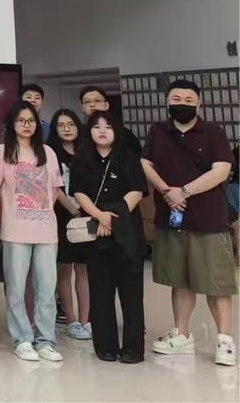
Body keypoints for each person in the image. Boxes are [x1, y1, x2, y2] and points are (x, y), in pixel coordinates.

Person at [140, 79, 235, 366]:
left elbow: (221, 171)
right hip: (172, 219)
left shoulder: (214, 132)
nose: (182, 104)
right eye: (176, 99)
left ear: (199, 103)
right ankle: (182, 334)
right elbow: (145, 163)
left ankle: (225, 341)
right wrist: (166, 191)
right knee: (180, 280)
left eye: (188, 100)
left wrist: (184, 191)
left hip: (209, 219)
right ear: (167, 102)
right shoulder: (158, 131)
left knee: (217, 282)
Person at [73, 111, 148, 363]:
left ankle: (133, 349)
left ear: (116, 131)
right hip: (96, 234)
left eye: (108, 126)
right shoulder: (82, 159)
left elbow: (137, 192)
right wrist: (99, 216)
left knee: (131, 294)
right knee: (100, 292)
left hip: (127, 233)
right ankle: (105, 346)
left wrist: (112, 218)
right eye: (96, 127)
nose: (102, 131)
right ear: (89, 132)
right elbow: (79, 193)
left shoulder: (128, 158)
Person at [0, 100, 65, 362]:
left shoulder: (48, 152)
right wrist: (1, 222)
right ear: (11, 124)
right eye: (21, 120)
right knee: (16, 289)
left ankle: (45, 340)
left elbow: (55, 190)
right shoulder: (1, 152)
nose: (27, 125)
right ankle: (22, 339)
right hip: (14, 230)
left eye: (31, 121)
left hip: (46, 231)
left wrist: (40, 212)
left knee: (46, 290)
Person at [45, 109, 90, 339]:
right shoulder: (50, 152)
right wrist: (72, 209)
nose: (66, 129)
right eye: (61, 125)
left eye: (70, 124)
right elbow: (55, 187)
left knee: (84, 268)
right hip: (61, 214)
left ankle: (86, 319)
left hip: (88, 213)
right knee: (64, 267)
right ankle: (71, 319)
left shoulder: (87, 150)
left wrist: (86, 209)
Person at [80, 85, 141, 156]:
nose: (92, 104)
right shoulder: (79, 133)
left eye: (97, 100)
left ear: (107, 105)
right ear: (82, 108)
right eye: (87, 102)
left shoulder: (123, 133)